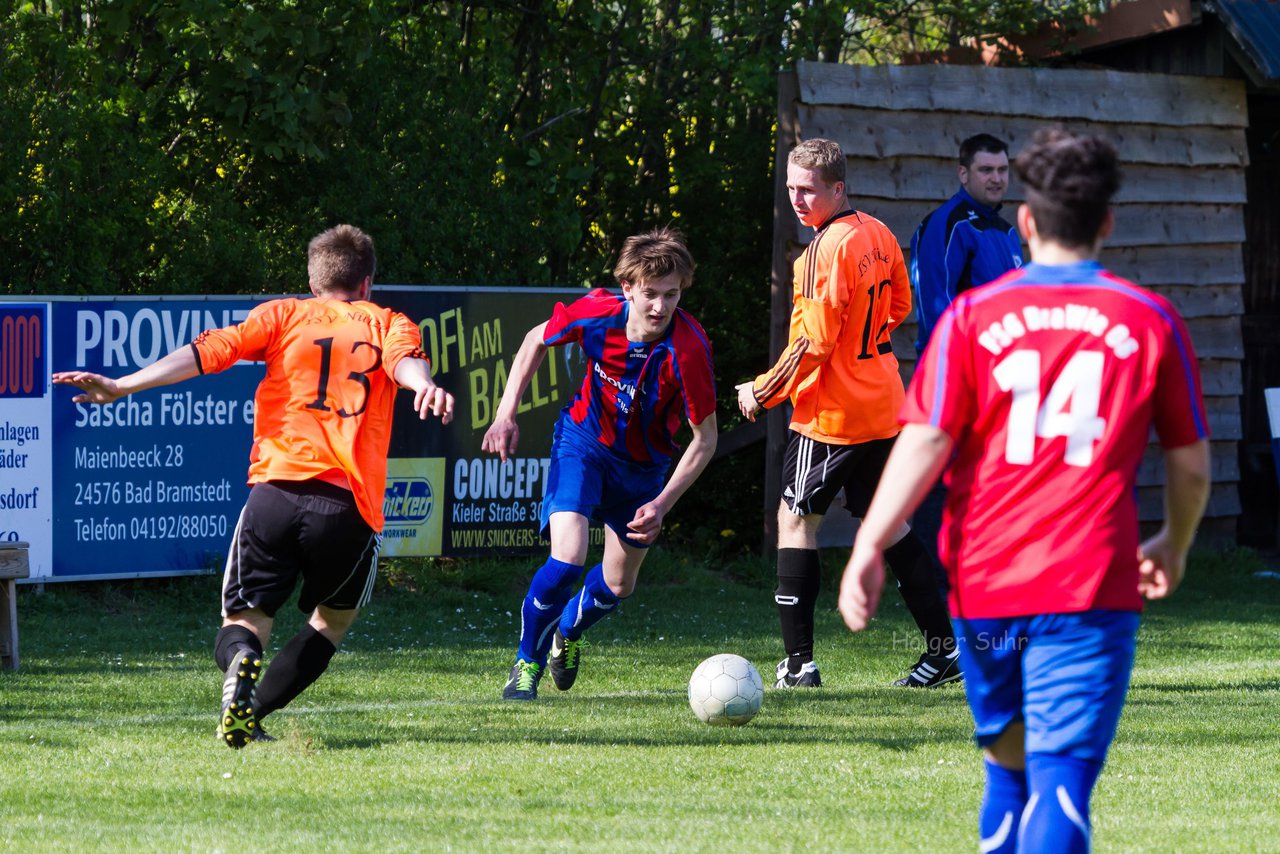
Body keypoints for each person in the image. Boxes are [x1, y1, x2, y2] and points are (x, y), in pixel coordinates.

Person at [838, 128, 1211, 853]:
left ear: (1029, 224)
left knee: (1007, 776)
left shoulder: (974, 321)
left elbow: (924, 442)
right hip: (1088, 584)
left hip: (986, 585)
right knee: (1061, 784)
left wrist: (869, 542)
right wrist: (1175, 540)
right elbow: (1192, 466)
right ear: (1105, 223)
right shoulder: (1147, 318)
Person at [53, 225, 455, 748]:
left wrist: (123, 385)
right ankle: (254, 710)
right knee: (331, 623)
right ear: (367, 283)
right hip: (347, 506)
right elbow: (405, 361)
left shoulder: (281, 314)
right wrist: (423, 385)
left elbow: (208, 351)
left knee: (244, 618)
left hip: (275, 495)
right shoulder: (388, 322)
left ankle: (241, 664)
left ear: (313, 283)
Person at [735, 138, 958, 690]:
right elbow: (901, 305)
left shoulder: (820, 252)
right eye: (790, 187)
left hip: (831, 415)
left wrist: (761, 392)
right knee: (891, 524)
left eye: (808, 189)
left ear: (838, 188)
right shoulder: (878, 233)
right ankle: (944, 652)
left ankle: (798, 665)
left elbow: (811, 344)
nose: (797, 198)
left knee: (795, 521)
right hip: (883, 403)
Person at [483, 226, 717, 701]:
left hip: (643, 470)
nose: (660, 307)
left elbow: (705, 440)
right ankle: (526, 662)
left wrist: (663, 502)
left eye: (671, 295)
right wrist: (505, 413)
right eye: (649, 294)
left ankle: (567, 632)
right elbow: (534, 340)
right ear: (627, 288)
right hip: (584, 444)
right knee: (567, 558)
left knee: (618, 584)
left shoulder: (689, 350)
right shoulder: (598, 314)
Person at [908, 133, 1024, 581]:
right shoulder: (947, 224)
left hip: (1004, 383)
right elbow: (937, 309)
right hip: (954, 382)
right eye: (985, 170)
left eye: (1002, 170)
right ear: (963, 173)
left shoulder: (1005, 231)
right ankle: (932, 590)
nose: (996, 179)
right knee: (940, 486)